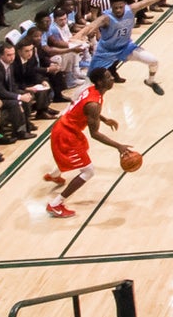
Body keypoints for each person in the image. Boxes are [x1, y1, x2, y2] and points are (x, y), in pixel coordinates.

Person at [43, 69, 134, 218]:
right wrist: (119, 146)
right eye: (108, 77)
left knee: (82, 151)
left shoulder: (92, 91)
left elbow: (84, 109)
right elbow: (95, 134)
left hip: (68, 128)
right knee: (88, 171)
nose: (112, 78)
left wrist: (104, 119)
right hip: (66, 134)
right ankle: (55, 204)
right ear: (100, 82)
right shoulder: (93, 103)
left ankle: (54, 175)